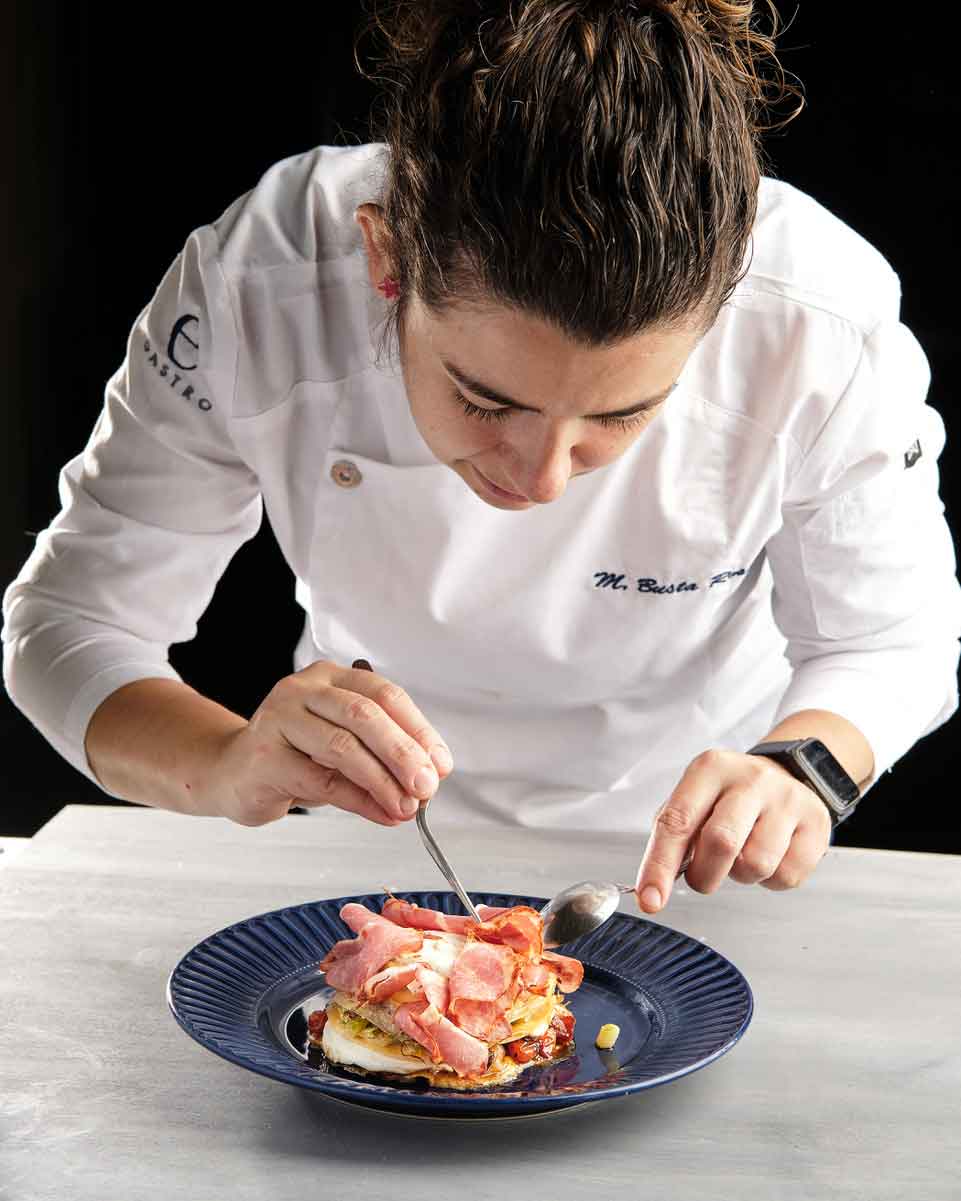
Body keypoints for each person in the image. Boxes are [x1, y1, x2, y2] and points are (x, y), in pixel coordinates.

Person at [4, 0, 959, 918]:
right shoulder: (266, 280)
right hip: (361, 851)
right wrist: (225, 763)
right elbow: (69, 623)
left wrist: (803, 766)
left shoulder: (821, 321)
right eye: (485, 399)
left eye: (622, 414)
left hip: (695, 868)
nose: (541, 478)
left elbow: (889, 642)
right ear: (387, 262)